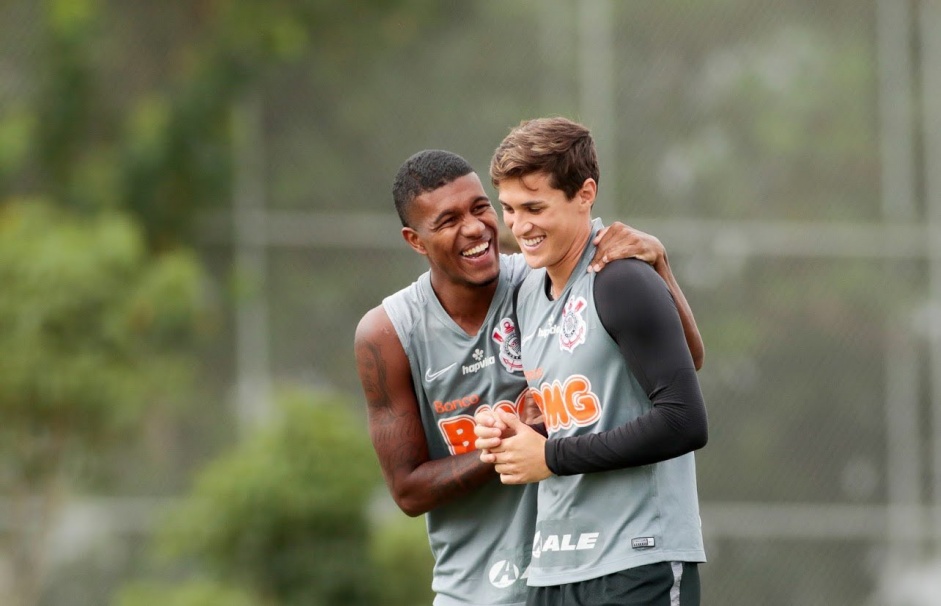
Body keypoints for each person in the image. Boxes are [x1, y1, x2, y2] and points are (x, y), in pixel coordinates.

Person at [354, 149, 703, 606]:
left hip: (569, 571)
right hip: (470, 591)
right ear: (415, 240)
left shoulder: (540, 274)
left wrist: (658, 265)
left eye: (481, 208)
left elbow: (682, 362)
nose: (476, 228)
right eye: (448, 221)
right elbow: (407, 490)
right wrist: (512, 448)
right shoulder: (387, 332)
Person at [475, 117, 709, 605]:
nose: (519, 227)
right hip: (553, 571)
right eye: (510, 209)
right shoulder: (526, 292)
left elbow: (684, 420)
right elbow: (581, 419)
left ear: (585, 194)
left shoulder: (620, 279)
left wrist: (549, 458)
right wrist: (514, 434)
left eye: (535, 207)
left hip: (636, 561)